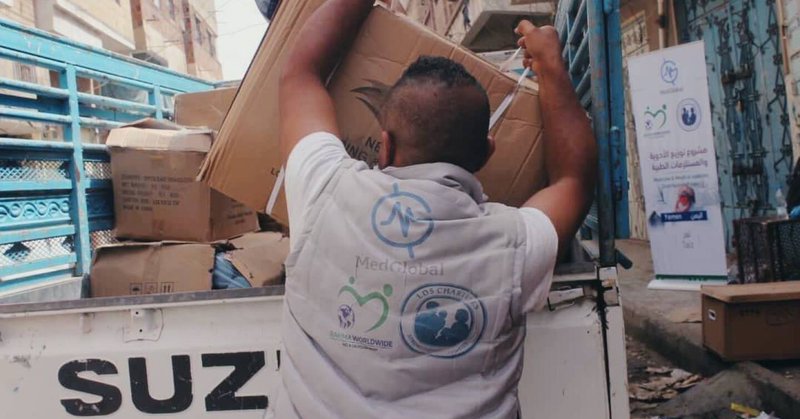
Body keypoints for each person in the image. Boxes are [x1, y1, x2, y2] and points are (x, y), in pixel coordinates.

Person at [272, 0, 597, 417]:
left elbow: (299, 74)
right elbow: (574, 179)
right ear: (486, 155)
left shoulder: (325, 190)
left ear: (384, 146)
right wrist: (550, 64)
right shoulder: (514, 243)